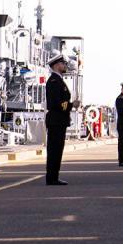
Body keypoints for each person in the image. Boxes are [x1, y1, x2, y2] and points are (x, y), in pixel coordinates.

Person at [45, 53, 80, 186]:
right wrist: (72, 105)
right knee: (54, 149)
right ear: (56, 65)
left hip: (60, 120)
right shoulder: (54, 81)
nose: (65, 66)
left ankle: (54, 176)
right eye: (63, 64)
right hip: (56, 120)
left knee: (58, 149)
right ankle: (52, 177)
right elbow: (55, 103)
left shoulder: (59, 80)